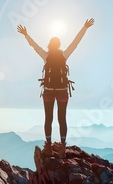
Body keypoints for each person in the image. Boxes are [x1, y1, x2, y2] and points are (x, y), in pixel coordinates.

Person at [17, 18, 95, 158]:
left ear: (49, 45)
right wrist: (85, 27)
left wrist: (26, 35)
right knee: (62, 118)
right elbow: (75, 43)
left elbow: (34, 46)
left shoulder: (46, 56)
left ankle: (48, 146)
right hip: (62, 92)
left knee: (48, 118)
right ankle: (63, 147)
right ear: (59, 45)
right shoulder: (64, 55)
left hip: (48, 92)